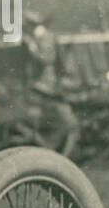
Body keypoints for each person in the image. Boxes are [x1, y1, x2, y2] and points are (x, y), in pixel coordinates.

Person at [22, 10, 79, 157]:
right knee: (65, 125)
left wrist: (32, 48)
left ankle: (57, 155)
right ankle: (57, 155)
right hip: (45, 88)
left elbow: (46, 59)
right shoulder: (41, 37)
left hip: (46, 87)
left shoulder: (42, 38)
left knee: (66, 125)